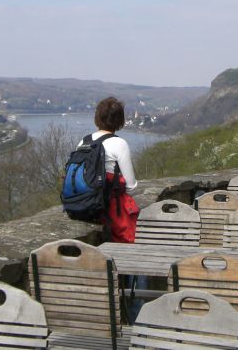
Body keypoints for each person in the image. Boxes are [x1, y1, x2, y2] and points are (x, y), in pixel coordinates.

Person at [85, 97, 144, 321]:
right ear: (120, 121)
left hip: (89, 208)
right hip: (113, 214)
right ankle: (134, 314)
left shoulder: (86, 141)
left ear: (97, 118)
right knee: (132, 261)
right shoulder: (118, 144)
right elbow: (130, 185)